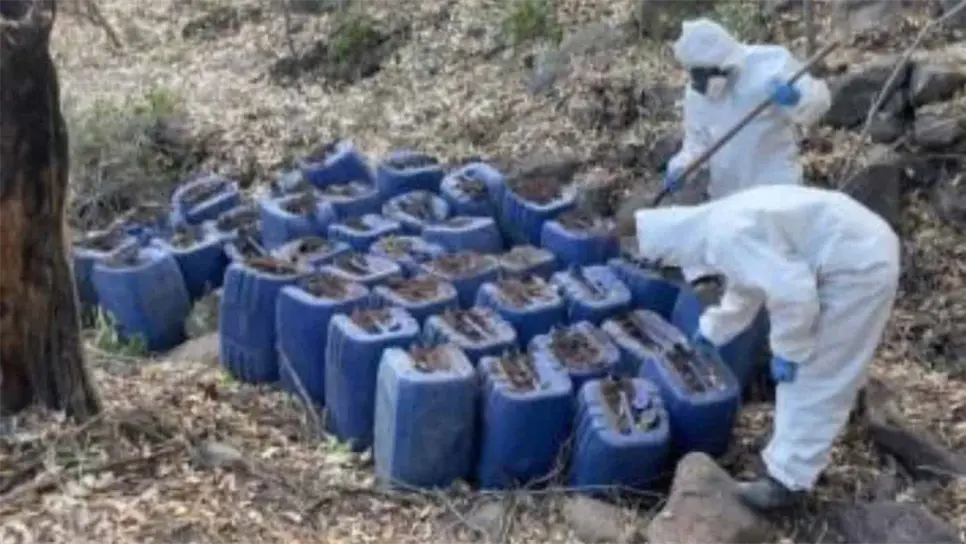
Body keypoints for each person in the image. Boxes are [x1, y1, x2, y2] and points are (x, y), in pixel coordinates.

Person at [620, 184, 900, 511]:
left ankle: (787, 482)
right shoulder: (715, 225)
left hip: (857, 265)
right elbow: (748, 287)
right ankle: (800, 444)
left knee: (815, 372)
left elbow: (793, 295)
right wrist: (713, 329)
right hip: (854, 244)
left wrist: (789, 350)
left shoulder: (727, 235)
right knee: (827, 366)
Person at [664, 18, 832, 284]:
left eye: (707, 74)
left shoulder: (771, 64)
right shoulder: (696, 93)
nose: (701, 82)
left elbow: (820, 102)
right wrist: (682, 166)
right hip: (727, 192)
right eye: (696, 75)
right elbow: (697, 144)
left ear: (725, 65)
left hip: (775, 184)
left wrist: (797, 99)